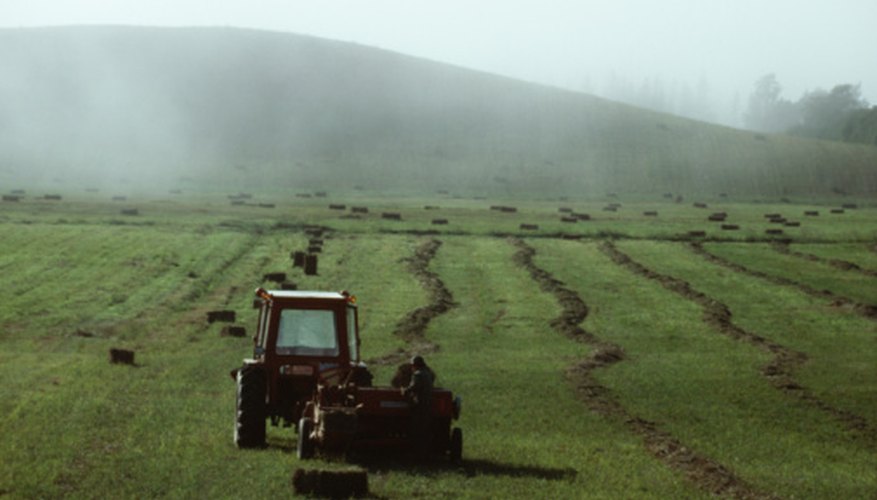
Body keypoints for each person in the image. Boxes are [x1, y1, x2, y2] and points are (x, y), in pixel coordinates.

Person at [402, 355, 435, 457]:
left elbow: (414, 387)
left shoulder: (418, 375)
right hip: (427, 406)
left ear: (415, 365)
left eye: (412, 365)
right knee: (424, 430)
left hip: (419, 406)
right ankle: (424, 452)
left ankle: (417, 453)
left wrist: (404, 391)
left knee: (416, 430)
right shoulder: (428, 374)